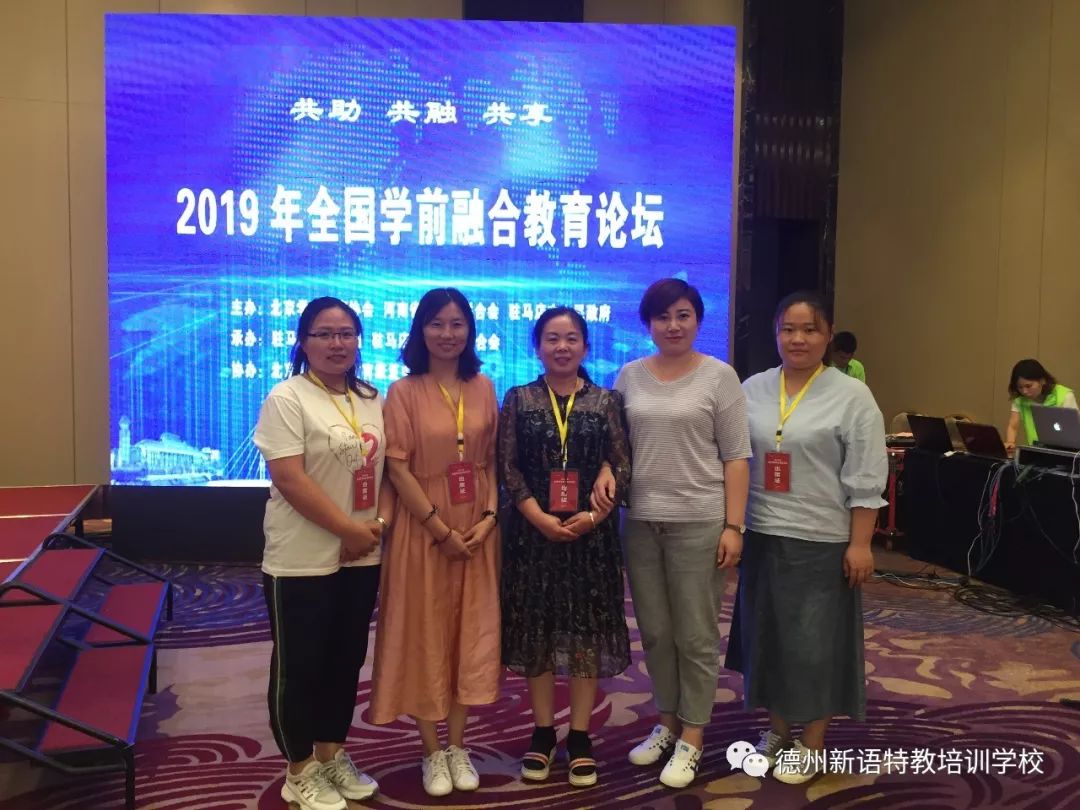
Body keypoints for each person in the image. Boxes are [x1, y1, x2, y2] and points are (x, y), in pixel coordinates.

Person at [725, 291, 887, 785]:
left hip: (823, 539)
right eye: (788, 329)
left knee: (815, 647)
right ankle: (777, 730)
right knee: (770, 639)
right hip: (763, 534)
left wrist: (860, 543)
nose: (798, 339)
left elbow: (867, 475)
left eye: (810, 329)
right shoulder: (753, 388)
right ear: (775, 333)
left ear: (828, 335)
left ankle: (812, 741)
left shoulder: (852, 395)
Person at [604, 278, 750, 790]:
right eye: (662, 317)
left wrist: (734, 526)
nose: (673, 325)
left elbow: (736, 456)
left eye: (683, 315)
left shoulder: (719, 377)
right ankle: (666, 722)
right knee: (656, 632)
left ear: (698, 320)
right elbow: (616, 448)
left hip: (700, 522)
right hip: (641, 521)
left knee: (695, 634)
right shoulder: (629, 376)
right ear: (648, 323)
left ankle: (692, 735)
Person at [253, 296, 390, 810]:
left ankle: (332, 754)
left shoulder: (370, 398)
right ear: (303, 342)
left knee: (345, 660)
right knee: (299, 666)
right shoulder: (287, 398)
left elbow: (386, 472)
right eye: (324, 334)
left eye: (346, 334)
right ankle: (299, 768)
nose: (337, 344)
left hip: (361, 555)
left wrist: (375, 528)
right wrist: (347, 530)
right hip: (301, 558)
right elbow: (289, 479)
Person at [369, 287, 501, 798]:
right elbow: (398, 469)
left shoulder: (483, 386)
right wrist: (439, 530)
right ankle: (431, 750)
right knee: (425, 633)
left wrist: (489, 519)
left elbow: (489, 462)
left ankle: (458, 745)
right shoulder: (403, 392)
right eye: (437, 324)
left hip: (477, 531)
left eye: (457, 324)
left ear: (470, 330)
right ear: (420, 330)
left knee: (470, 632)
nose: (448, 334)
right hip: (423, 530)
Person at [498, 306, 632, 789]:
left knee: (584, 635)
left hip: (590, 538)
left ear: (585, 347)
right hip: (532, 537)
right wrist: (537, 517)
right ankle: (541, 732)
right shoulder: (519, 399)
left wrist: (595, 515)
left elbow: (622, 462)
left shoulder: (606, 401)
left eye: (572, 338)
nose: (562, 347)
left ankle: (578, 736)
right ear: (537, 347)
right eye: (552, 338)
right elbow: (507, 467)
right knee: (536, 632)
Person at [1005, 358, 1078, 451]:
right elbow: (1013, 426)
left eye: (1028, 386)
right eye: (1020, 387)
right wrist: (1010, 442)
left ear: (1042, 381)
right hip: (1036, 451)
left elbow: (1075, 428)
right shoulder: (1020, 400)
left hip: (1065, 452)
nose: (1024, 391)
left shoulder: (1064, 395)